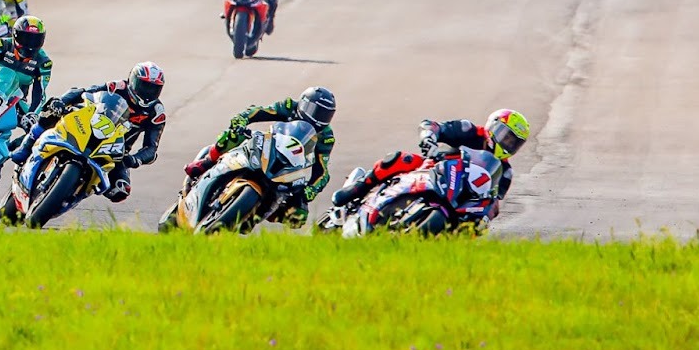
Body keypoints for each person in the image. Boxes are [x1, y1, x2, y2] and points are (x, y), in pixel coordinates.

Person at [10, 62, 166, 203]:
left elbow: (151, 149)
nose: (147, 91)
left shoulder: (156, 113)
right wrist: (62, 101)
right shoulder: (117, 86)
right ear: (132, 80)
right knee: (52, 112)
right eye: (144, 85)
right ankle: (25, 149)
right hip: (90, 126)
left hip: (116, 149)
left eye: (153, 88)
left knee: (120, 190)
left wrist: (134, 159)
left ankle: (71, 195)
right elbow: (85, 92)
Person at [183, 86, 337, 226]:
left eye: (326, 115)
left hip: (291, 169)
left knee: (299, 217)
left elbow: (322, 171)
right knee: (233, 136)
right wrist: (242, 120)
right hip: (269, 147)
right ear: (303, 104)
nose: (319, 118)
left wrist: (311, 191)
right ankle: (208, 162)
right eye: (315, 110)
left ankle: (255, 215)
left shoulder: (326, 136)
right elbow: (258, 111)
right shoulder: (290, 107)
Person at [330, 109, 530, 209]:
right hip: (433, 169)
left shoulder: (505, 172)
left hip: (460, 200)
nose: (508, 144)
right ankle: (359, 187)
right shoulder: (469, 130)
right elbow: (432, 125)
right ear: (492, 127)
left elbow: (494, 203)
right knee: (401, 159)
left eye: (514, 143)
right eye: (506, 136)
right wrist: (429, 137)